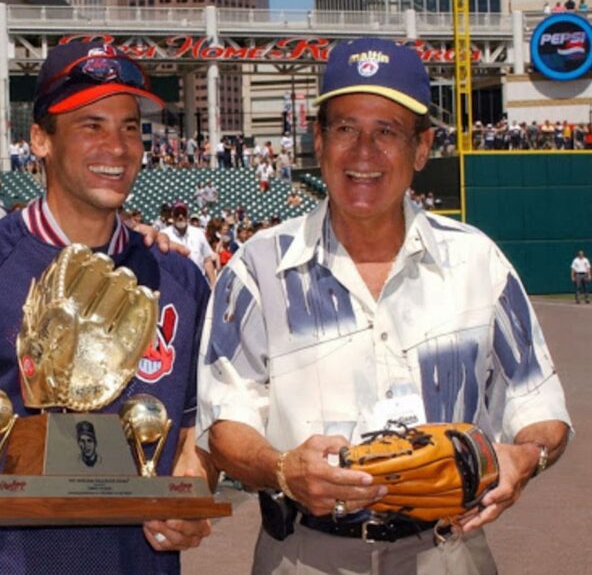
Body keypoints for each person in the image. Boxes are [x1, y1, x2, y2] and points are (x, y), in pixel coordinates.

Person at [198, 37, 571, 575]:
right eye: (346, 128)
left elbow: (540, 407)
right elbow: (223, 421)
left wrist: (524, 458)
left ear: (421, 148)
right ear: (318, 141)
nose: (364, 153)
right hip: (304, 553)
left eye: (387, 132)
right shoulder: (257, 268)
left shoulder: (476, 261)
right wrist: (282, 469)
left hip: (449, 550)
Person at [0, 41, 213, 574]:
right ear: (40, 141)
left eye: (129, 127)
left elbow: (192, 435)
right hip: (1, 563)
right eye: (91, 125)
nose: (116, 147)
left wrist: (193, 499)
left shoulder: (180, 280)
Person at [163, 202, 217, 287]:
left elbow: (207, 260)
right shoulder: (165, 235)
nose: (180, 217)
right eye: (177, 214)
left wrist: (213, 284)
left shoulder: (199, 233)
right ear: (172, 216)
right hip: (177, 283)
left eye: (183, 214)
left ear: (187, 215)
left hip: (199, 282)